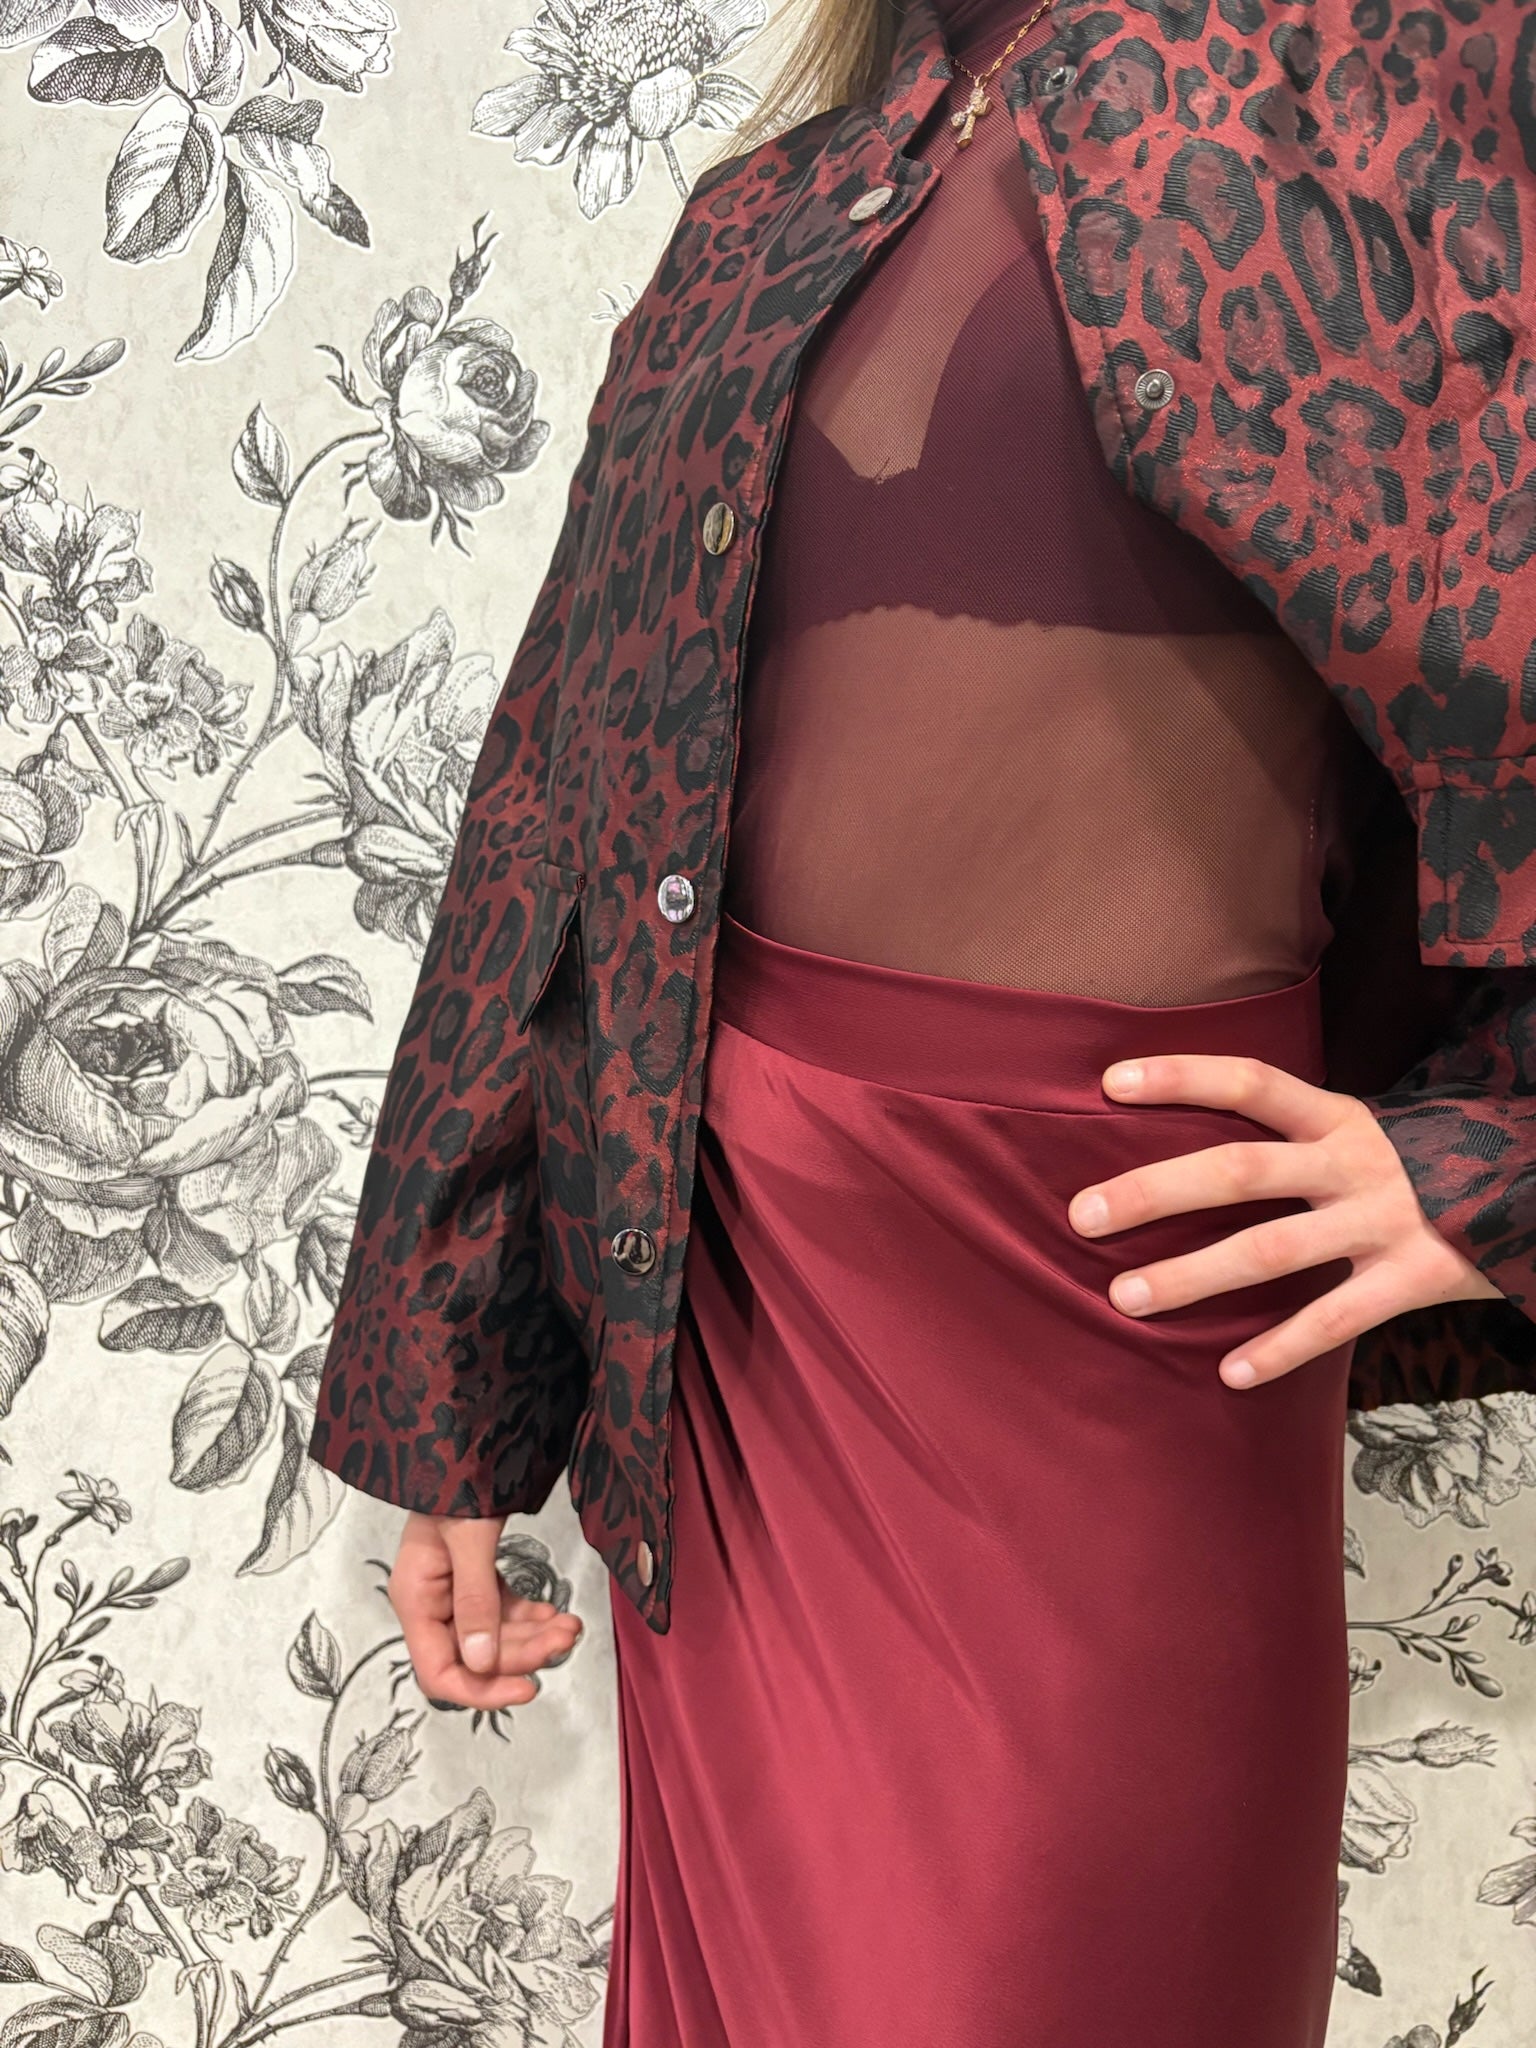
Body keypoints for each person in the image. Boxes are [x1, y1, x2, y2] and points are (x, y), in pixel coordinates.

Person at [307, 0, 1536, 2041]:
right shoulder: (776, 207)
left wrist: (1495, 1160)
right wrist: (457, 1395)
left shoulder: (1401, 63)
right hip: (731, 1339)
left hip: (1109, 1337)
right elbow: (559, 799)